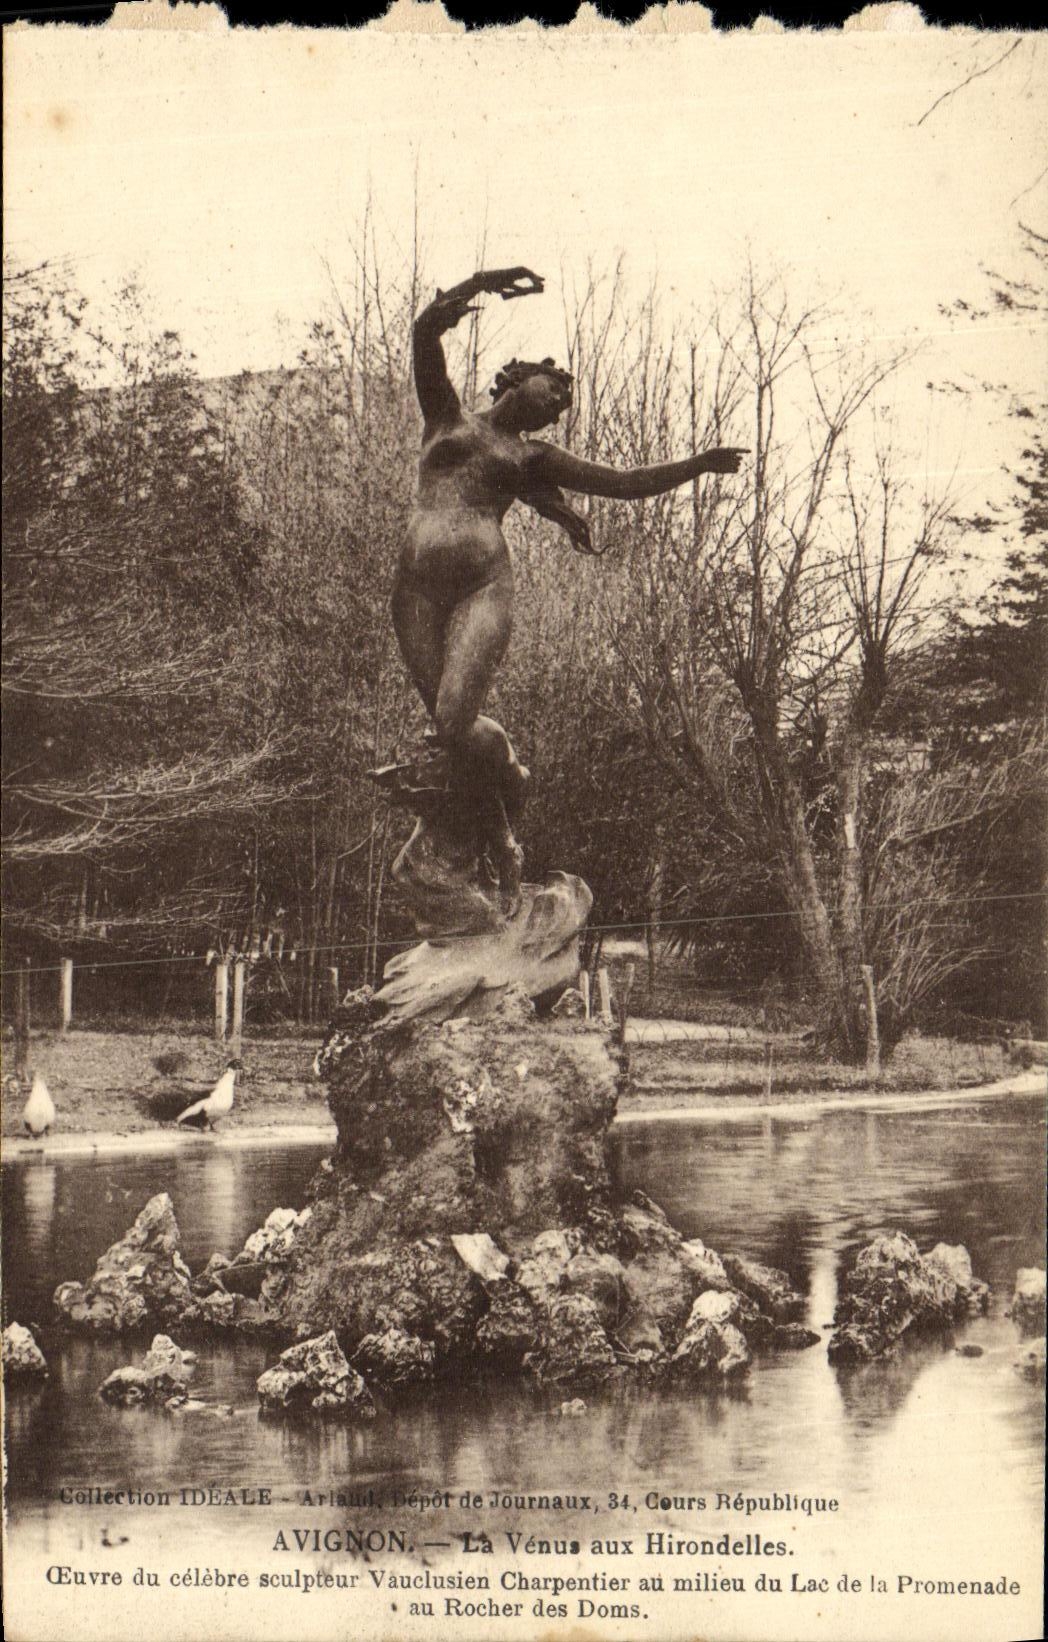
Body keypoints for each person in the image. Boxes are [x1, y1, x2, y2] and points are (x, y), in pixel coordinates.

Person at [392, 265, 745, 908]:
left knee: (448, 722)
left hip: (481, 586)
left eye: (561, 403)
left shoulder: (531, 459)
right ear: (515, 375)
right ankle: (500, 820)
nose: (557, 402)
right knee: (450, 734)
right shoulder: (445, 417)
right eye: (553, 387)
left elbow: (626, 481)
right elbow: (423, 333)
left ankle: (498, 808)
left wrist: (698, 464)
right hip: (413, 589)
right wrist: (483, 282)